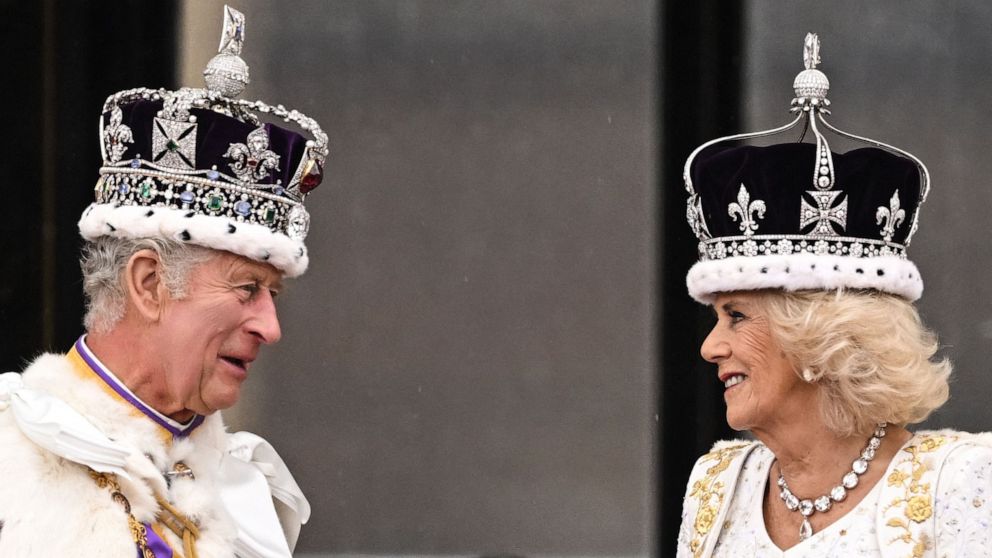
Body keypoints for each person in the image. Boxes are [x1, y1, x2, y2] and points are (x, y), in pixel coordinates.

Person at [0, 6, 326, 557]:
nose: (271, 328)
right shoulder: (11, 459)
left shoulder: (248, 495)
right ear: (149, 283)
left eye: (273, 295)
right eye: (246, 289)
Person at [675, 34, 992, 557]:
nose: (710, 347)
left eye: (736, 315)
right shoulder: (717, 484)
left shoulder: (959, 483)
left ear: (821, 335)